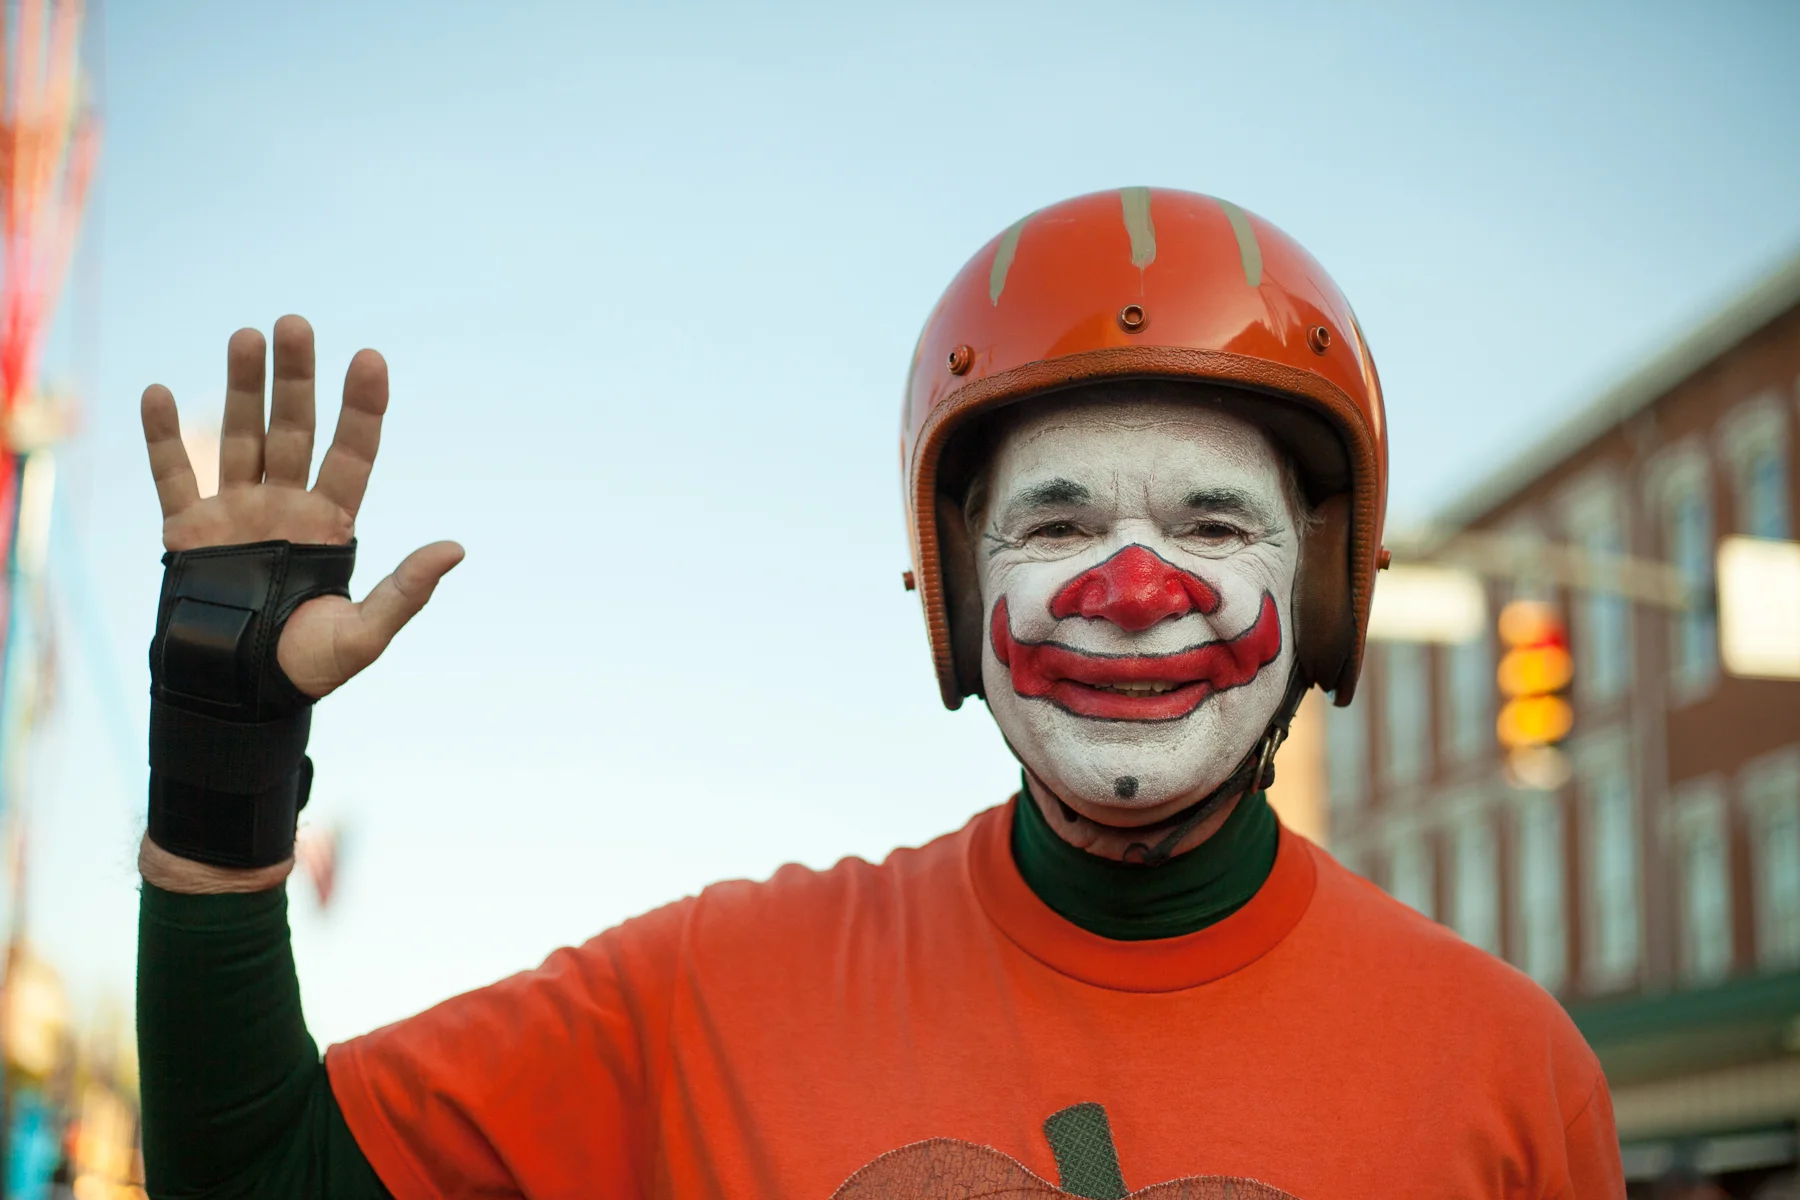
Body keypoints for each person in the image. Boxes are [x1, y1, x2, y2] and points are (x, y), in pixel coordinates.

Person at [135, 188, 1626, 1198]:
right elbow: (254, 1172)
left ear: (1320, 588)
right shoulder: (710, 994)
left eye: (1214, 524)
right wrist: (223, 762)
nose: (1133, 586)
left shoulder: (1513, 1075)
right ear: (956, 584)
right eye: (1051, 523)